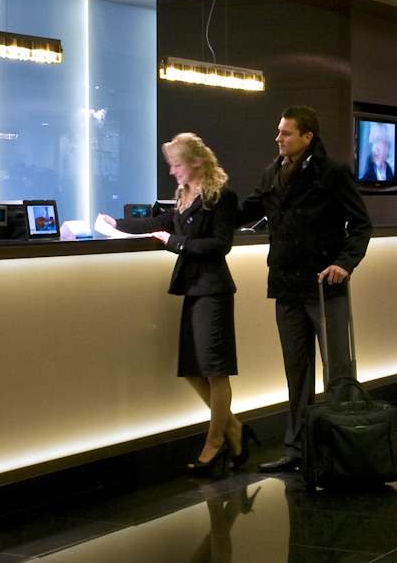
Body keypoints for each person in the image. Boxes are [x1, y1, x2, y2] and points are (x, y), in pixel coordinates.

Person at [103, 133, 251, 475]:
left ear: (196, 162)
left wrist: (176, 243)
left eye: (176, 165)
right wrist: (115, 224)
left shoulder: (221, 197)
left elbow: (220, 245)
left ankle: (215, 443)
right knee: (192, 369)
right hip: (192, 288)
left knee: (215, 370)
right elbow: (159, 223)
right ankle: (234, 429)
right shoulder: (184, 196)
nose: (172, 172)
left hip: (212, 290)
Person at [237, 106, 372, 474]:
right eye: (279, 132)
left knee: (337, 371)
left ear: (307, 137)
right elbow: (245, 211)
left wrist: (344, 264)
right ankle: (298, 449)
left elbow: (361, 225)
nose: (278, 138)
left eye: (286, 133)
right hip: (286, 287)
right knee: (296, 372)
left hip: (325, 288)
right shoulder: (272, 173)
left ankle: (341, 450)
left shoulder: (332, 173)